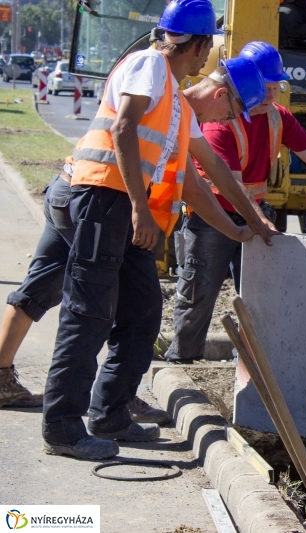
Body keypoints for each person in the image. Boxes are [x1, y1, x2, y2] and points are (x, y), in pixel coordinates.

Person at [39, 0, 268, 461]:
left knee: (143, 312)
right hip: (102, 198)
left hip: (120, 206)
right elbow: (123, 128)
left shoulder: (176, 101)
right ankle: (62, 428)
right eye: (209, 45)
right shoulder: (149, 66)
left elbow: (206, 176)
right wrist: (141, 209)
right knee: (88, 314)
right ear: (198, 44)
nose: (209, 54)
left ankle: (110, 414)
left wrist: (244, 225)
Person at [0, 55, 270, 420]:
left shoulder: (179, 110)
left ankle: (6, 378)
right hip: (106, 205)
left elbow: (206, 178)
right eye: (233, 113)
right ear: (221, 95)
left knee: (39, 291)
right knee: (127, 310)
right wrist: (242, 225)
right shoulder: (170, 104)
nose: (228, 121)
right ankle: (110, 404)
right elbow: (195, 184)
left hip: (68, 191)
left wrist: (241, 227)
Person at [163, 41, 306, 364]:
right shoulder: (219, 121)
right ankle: (182, 359)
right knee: (198, 291)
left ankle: (252, 364)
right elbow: (231, 185)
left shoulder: (277, 117)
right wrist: (258, 221)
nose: (271, 95)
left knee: (261, 295)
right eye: (266, 87)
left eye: (277, 87)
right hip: (214, 216)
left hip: (254, 212)